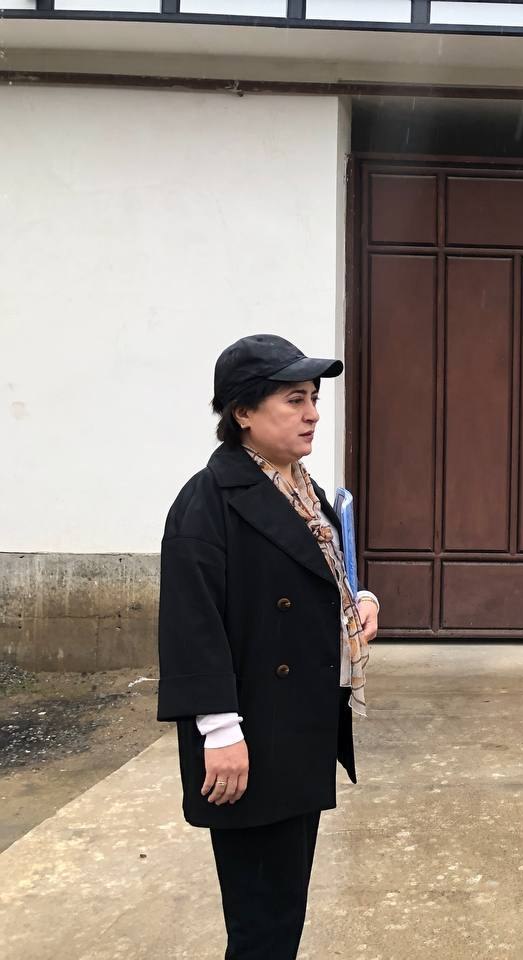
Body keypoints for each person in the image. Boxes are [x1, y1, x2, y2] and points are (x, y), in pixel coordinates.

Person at [156, 334, 378, 960]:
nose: (313, 414)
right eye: (293, 400)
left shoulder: (301, 489)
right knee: (260, 925)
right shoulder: (209, 500)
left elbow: (319, 577)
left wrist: (359, 604)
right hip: (249, 736)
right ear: (243, 413)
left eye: (313, 398)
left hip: (297, 727)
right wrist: (219, 732)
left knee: (281, 912)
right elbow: (191, 624)